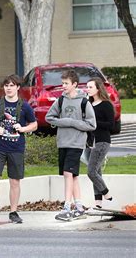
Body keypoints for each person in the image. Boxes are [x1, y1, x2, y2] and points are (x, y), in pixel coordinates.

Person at [0, 74, 37, 225]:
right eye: (6, 85)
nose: (9, 88)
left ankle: (13, 212)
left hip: (16, 148)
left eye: (12, 85)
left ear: (18, 87)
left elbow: (34, 125)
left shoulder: (24, 106)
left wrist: (23, 128)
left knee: (14, 181)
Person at [45, 70, 96, 221]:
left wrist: (73, 123)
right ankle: (79, 207)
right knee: (72, 176)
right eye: (62, 83)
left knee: (68, 173)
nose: (63, 86)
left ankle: (67, 207)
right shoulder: (60, 100)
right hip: (62, 142)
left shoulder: (84, 102)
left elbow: (92, 124)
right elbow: (49, 117)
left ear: (74, 84)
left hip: (76, 143)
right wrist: (64, 121)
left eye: (66, 83)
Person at [86, 78, 114, 209]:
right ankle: (98, 203)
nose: (88, 89)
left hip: (102, 142)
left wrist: (94, 123)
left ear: (98, 89)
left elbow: (111, 125)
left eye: (90, 87)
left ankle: (107, 194)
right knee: (97, 172)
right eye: (87, 87)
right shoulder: (88, 105)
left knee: (91, 172)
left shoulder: (106, 104)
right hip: (90, 143)